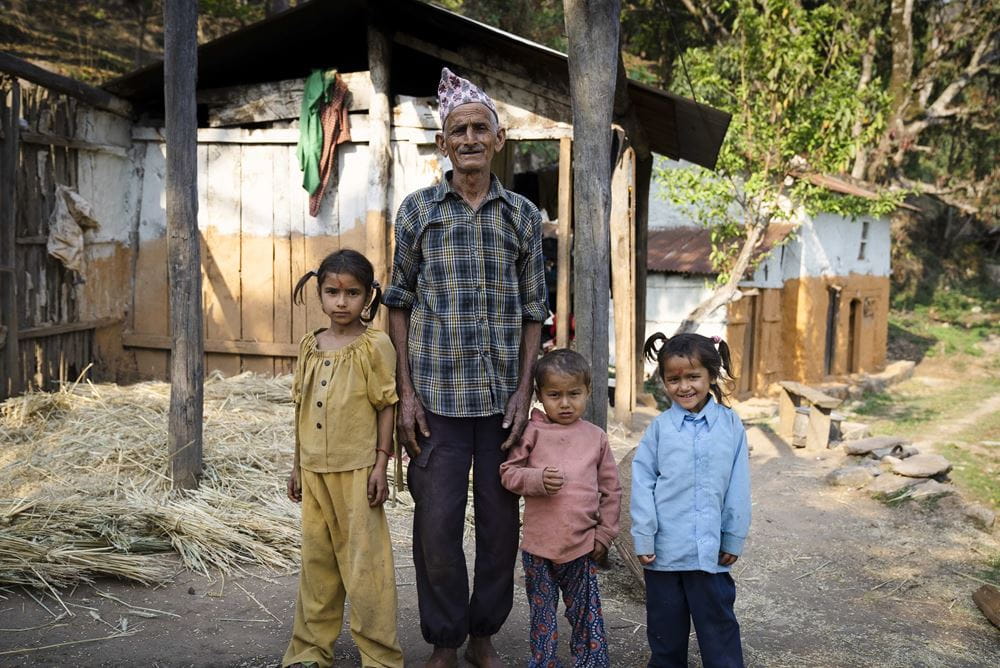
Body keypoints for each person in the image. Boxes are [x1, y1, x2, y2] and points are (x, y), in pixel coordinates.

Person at [382, 67, 548, 668]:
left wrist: (523, 390)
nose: (471, 137)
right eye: (459, 130)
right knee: (438, 529)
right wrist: (406, 392)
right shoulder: (418, 211)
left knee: (500, 530)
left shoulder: (524, 216)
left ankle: (484, 634)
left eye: (482, 127)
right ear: (442, 145)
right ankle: (445, 640)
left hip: (502, 405)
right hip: (435, 404)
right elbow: (396, 303)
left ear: (499, 140)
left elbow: (536, 311)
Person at [282, 249, 404, 668]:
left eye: (352, 293)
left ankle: (380, 656)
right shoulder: (309, 345)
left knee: (366, 569)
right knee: (317, 567)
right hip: (314, 471)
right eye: (332, 291)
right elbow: (300, 407)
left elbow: (387, 404)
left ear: (368, 296)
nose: (341, 302)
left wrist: (380, 465)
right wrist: (297, 466)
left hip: (356, 472)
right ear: (319, 293)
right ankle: (310, 651)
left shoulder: (375, 345)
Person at [630, 332, 751, 668]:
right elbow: (642, 485)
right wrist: (643, 535)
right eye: (674, 379)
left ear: (712, 375)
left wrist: (733, 535)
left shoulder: (730, 426)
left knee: (719, 631)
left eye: (693, 377)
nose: (684, 387)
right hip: (665, 554)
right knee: (665, 635)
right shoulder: (659, 430)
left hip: (710, 553)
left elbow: (738, 485)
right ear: (664, 381)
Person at [500, 349, 622, 668]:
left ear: (588, 392)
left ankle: (591, 662)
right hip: (539, 547)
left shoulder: (596, 438)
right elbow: (508, 473)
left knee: (586, 612)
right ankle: (544, 662)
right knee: (542, 617)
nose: (565, 403)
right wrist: (536, 479)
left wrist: (605, 533)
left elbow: (611, 490)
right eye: (554, 395)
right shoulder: (532, 432)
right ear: (540, 395)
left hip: (581, 546)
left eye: (574, 394)